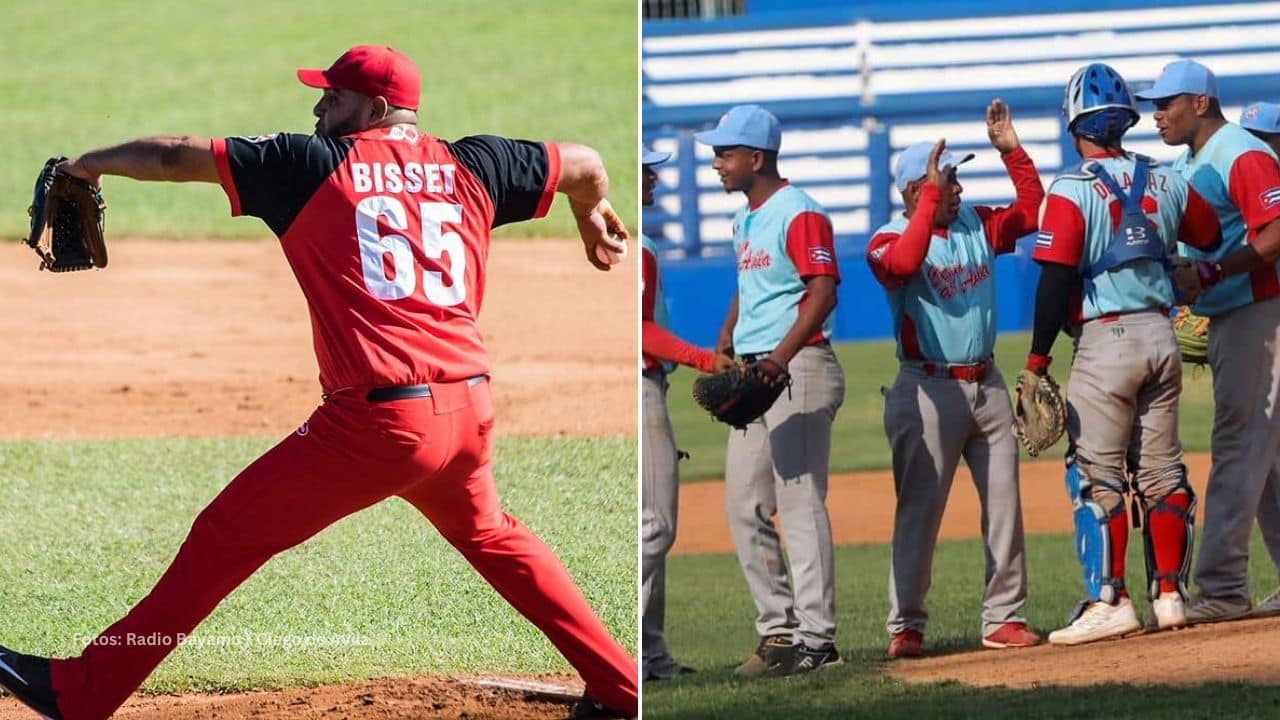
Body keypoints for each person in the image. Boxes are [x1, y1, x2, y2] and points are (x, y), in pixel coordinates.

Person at [0, 46, 637, 720]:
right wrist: (588, 214)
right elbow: (588, 164)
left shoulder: (309, 167)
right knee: (495, 539)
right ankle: (625, 691)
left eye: (332, 98)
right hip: (469, 413)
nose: (318, 107)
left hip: (376, 425)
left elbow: (173, 156)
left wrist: (88, 164)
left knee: (224, 535)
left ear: (376, 109)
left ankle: (81, 693)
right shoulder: (476, 163)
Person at [1030, 63, 1222, 645]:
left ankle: (1108, 599)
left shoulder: (1070, 189)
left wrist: (1037, 360)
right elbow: (1210, 233)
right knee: (1163, 472)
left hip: (1105, 339)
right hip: (1162, 336)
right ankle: (1169, 595)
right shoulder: (1164, 180)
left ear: (1075, 125)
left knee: (1095, 477)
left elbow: (1055, 279)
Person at [866, 99, 1043, 658]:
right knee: (920, 511)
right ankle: (907, 625)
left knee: (1005, 509)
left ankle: (1003, 618)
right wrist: (930, 203)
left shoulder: (975, 223)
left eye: (959, 179)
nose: (959, 188)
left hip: (986, 382)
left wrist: (1011, 151)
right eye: (948, 180)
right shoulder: (886, 238)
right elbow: (902, 264)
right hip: (926, 388)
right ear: (918, 191)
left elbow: (1033, 213)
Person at [696, 105, 845, 677]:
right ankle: (779, 631)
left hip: (797, 367)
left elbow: (823, 289)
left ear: (756, 158)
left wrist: (779, 360)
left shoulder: (798, 211)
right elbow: (752, 282)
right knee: (743, 504)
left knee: (799, 503)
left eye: (725, 153)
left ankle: (818, 639)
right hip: (760, 374)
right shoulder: (747, 220)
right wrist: (729, 329)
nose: (716, 163)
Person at [1136, 59, 1280, 624]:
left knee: (1239, 444)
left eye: (1166, 103)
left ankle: (1221, 586)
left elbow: (1274, 234)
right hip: (1233, 314)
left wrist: (1214, 275)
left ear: (1200, 103)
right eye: (1153, 105)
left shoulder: (1240, 152)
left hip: (1258, 312)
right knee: (1267, 457)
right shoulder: (1192, 159)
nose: (1156, 114)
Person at [639, 146, 717, 682]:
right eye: (647, 170)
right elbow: (638, 330)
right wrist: (704, 359)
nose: (655, 180)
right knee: (654, 526)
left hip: (650, 385)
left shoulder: (638, 242)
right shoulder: (639, 246)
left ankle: (652, 654)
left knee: (654, 525)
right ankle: (636, 651)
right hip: (639, 386)